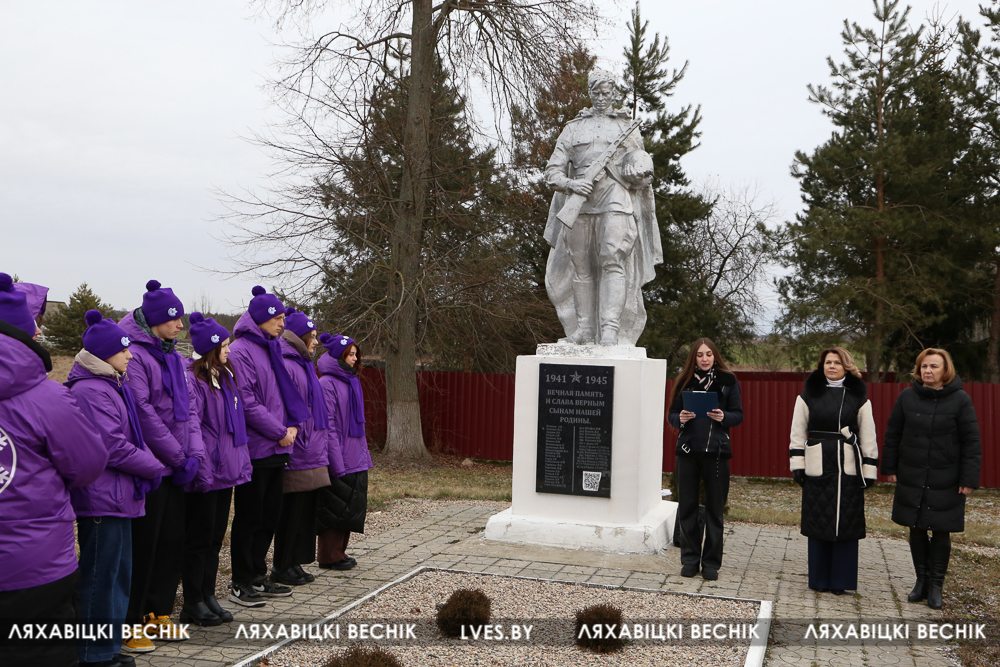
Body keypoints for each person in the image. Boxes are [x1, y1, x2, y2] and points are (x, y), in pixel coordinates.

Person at [0, 273, 108, 667]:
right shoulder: (49, 399)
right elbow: (88, 465)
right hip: (35, 565)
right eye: (35, 325)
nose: (40, 331)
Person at [66, 311, 170, 666]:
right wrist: (155, 465)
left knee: (118, 575)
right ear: (104, 353)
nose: (130, 355)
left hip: (119, 496)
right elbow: (111, 446)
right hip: (101, 499)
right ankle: (93, 653)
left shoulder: (111, 384)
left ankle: (109, 647)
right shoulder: (91, 390)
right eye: (123, 350)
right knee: (100, 577)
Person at [542, 67, 661, 346]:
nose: (602, 97)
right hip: (581, 204)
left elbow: (643, 171)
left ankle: (609, 330)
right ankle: (584, 330)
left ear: (613, 93)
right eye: (596, 92)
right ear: (590, 92)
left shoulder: (625, 127)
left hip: (615, 200)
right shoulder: (573, 128)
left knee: (613, 261)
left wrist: (639, 172)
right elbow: (552, 172)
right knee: (581, 267)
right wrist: (572, 185)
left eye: (606, 92)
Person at [119, 280, 202, 652]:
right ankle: (131, 620)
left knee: (171, 542)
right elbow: (143, 411)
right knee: (144, 546)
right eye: (174, 319)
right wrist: (177, 456)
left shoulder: (175, 357)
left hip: (178, 466)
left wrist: (194, 453)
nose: (181, 326)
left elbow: (191, 411)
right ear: (155, 320)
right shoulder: (136, 356)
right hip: (153, 467)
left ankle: (158, 613)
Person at [227, 287, 311, 607]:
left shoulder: (272, 346)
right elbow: (247, 402)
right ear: (261, 318)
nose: (282, 324)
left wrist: (293, 426)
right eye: (277, 318)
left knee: (269, 516)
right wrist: (279, 432)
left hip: (278, 447)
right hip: (257, 447)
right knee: (250, 516)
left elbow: (286, 394)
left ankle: (258, 575)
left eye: (283, 318)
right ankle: (241, 580)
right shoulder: (241, 351)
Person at [882, 348, 981, 610]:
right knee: (915, 526)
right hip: (912, 472)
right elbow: (893, 433)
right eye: (924, 366)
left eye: (934, 366)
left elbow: (971, 442)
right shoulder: (906, 397)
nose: (928, 371)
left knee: (940, 529)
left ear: (945, 370)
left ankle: (936, 586)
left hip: (946, 476)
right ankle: (921, 581)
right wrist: (890, 467)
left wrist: (969, 478)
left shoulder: (961, 400)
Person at [180, 312, 252, 626]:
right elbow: (193, 426)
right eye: (224, 345)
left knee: (214, 538)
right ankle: (192, 600)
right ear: (211, 348)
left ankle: (208, 594)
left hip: (225, 472)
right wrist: (203, 467)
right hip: (207, 472)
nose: (229, 350)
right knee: (199, 539)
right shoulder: (194, 381)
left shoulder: (224, 378)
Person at [788, 347, 878, 595]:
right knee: (818, 519)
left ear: (846, 366)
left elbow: (868, 436)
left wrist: (869, 469)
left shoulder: (860, 398)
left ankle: (841, 581)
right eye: (828, 362)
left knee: (847, 522)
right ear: (822, 365)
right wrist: (798, 464)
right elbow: (797, 431)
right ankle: (819, 579)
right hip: (817, 465)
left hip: (848, 466)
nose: (832, 366)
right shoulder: (807, 395)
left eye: (837, 362)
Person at [667, 338, 743, 580]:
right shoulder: (684, 381)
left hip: (717, 452)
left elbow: (738, 415)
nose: (705, 358)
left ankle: (711, 564)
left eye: (709, 354)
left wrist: (723, 416)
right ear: (694, 357)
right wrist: (680, 418)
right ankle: (690, 560)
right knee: (687, 507)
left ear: (714, 356)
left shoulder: (728, 381)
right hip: (688, 452)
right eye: (700, 355)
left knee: (715, 510)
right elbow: (671, 415)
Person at [271, 308, 329, 586]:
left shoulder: (304, 364)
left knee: (305, 512)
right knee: (291, 512)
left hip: (311, 449)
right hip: (299, 450)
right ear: (300, 337)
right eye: (312, 336)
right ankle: (282, 565)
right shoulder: (289, 364)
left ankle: (295, 562)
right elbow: (289, 408)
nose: (316, 342)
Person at [316, 333, 373, 570]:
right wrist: (335, 459)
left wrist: (364, 455)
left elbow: (358, 423)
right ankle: (329, 556)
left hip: (355, 455)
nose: (354, 358)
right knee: (334, 505)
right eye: (350, 354)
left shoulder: (352, 381)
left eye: (356, 354)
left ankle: (339, 552)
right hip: (339, 455)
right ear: (339, 355)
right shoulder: (327, 383)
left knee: (350, 505)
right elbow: (328, 424)